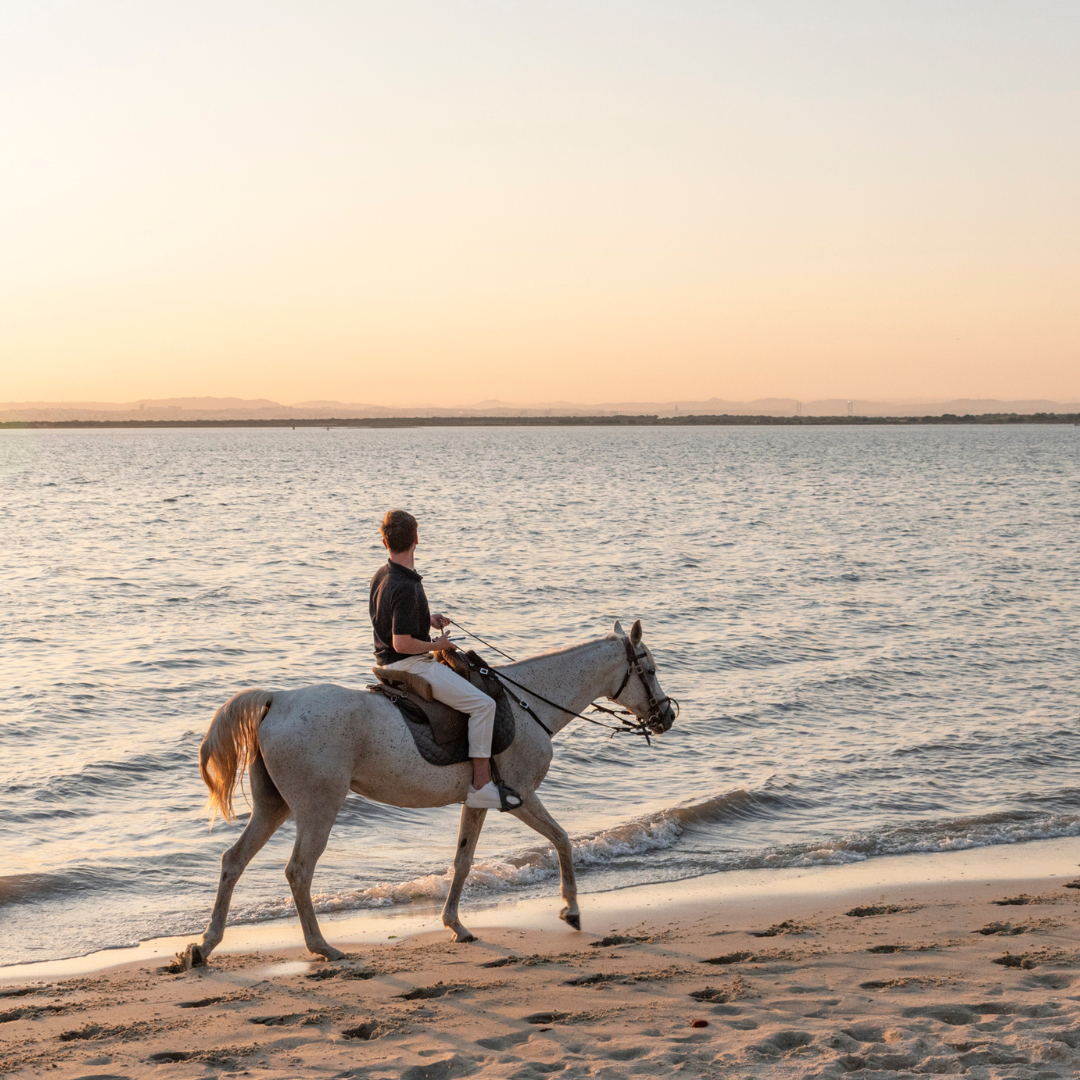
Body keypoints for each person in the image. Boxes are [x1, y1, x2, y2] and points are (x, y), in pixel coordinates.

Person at [369, 509, 521, 811]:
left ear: (384, 542)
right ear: (416, 538)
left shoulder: (383, 574)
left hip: (387, 661)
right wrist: (436, 643)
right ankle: (480, 786)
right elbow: (401, 643)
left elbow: (393, 622)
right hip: (409, 664)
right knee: (483, 705)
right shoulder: (407, 586)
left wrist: (427, 619)